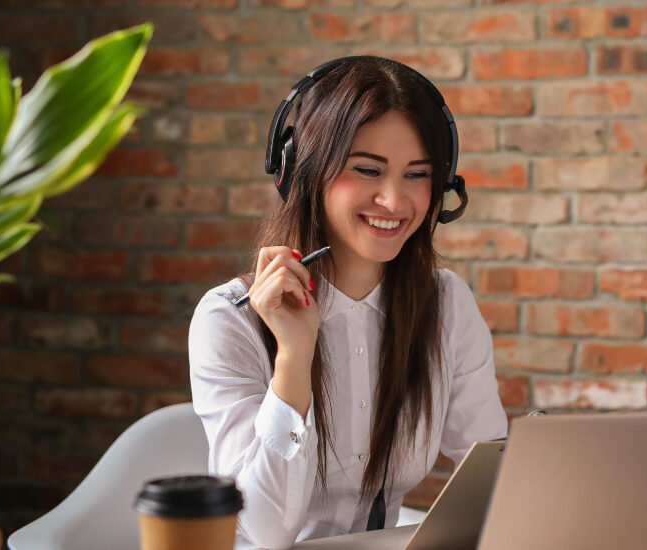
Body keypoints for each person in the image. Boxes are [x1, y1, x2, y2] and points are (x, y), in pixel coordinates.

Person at [187, 56, 508, 550]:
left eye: (417, 175)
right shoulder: (228, 319)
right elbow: (263, 533)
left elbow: (494, 477)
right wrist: (294, 356)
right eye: (367, 170)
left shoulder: (445, 304)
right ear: (302, 170)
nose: (395, 201)